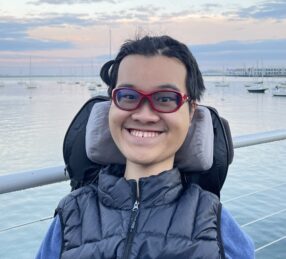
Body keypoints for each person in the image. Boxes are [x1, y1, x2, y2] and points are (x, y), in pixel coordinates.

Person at [36, 35, 254, 259]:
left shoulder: (214, 222)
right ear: (111, 106)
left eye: (166, 98)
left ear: (191, 112)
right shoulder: (71, 215)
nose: (144, 114)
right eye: (128, 96)